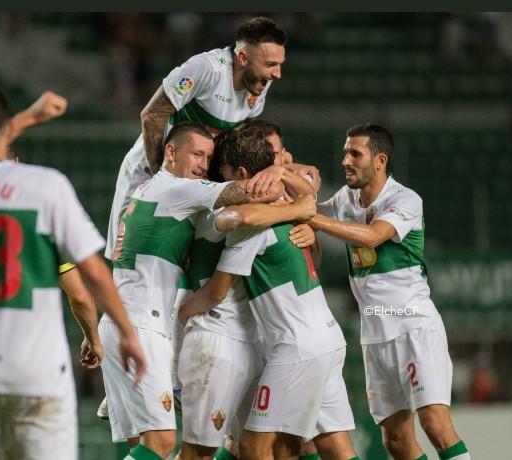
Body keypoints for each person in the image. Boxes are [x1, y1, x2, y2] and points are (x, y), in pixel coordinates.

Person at [0, 79, 146, 460]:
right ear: (10, 142)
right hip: (35, 374)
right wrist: (121, 334)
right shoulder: (46, 188)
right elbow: (87, 286)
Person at [98, 15, 289, 423]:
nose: (276, 74)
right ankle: (120, 373)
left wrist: (283, 166)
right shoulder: (206, 69)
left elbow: (241, 148)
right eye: (270, 65)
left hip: (196, 183)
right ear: (241, 57)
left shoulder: (258, 94)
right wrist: (160, 180)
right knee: (132, 263)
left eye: (279, 65)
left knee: (184, 267)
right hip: (153, 175)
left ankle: (162, 375)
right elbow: (152, 116)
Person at [100, 120, 294, 460]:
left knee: (145, 446)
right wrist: (287, 182)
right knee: (162, 444)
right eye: (198, 154)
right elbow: (255, 193)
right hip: (142, 326)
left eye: (209, 157)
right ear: (170, 152)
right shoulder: (178, 189)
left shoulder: (147, 188)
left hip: (120, 321)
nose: (204, 165)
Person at [178, 129, 358, 460]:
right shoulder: (288, 202)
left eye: (226, 172)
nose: (221, 179)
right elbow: (309, 190)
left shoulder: (252, 223)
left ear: (242, 174)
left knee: (252, 446)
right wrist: (297, 198)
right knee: (330, 445)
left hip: (297, 346)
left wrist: (183, 313)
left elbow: (217, 289)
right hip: (328, 340)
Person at [309, 123, 471, 460]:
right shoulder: (346, 198)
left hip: (414, 327)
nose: (346, 160)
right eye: (344, 152)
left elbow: (371, 236)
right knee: (395, 441)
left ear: (380, 160)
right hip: (375, 334)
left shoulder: (405, 199)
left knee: (435, 426)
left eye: (355, 153)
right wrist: (287, 175)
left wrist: (311, 217)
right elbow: (309, 208)